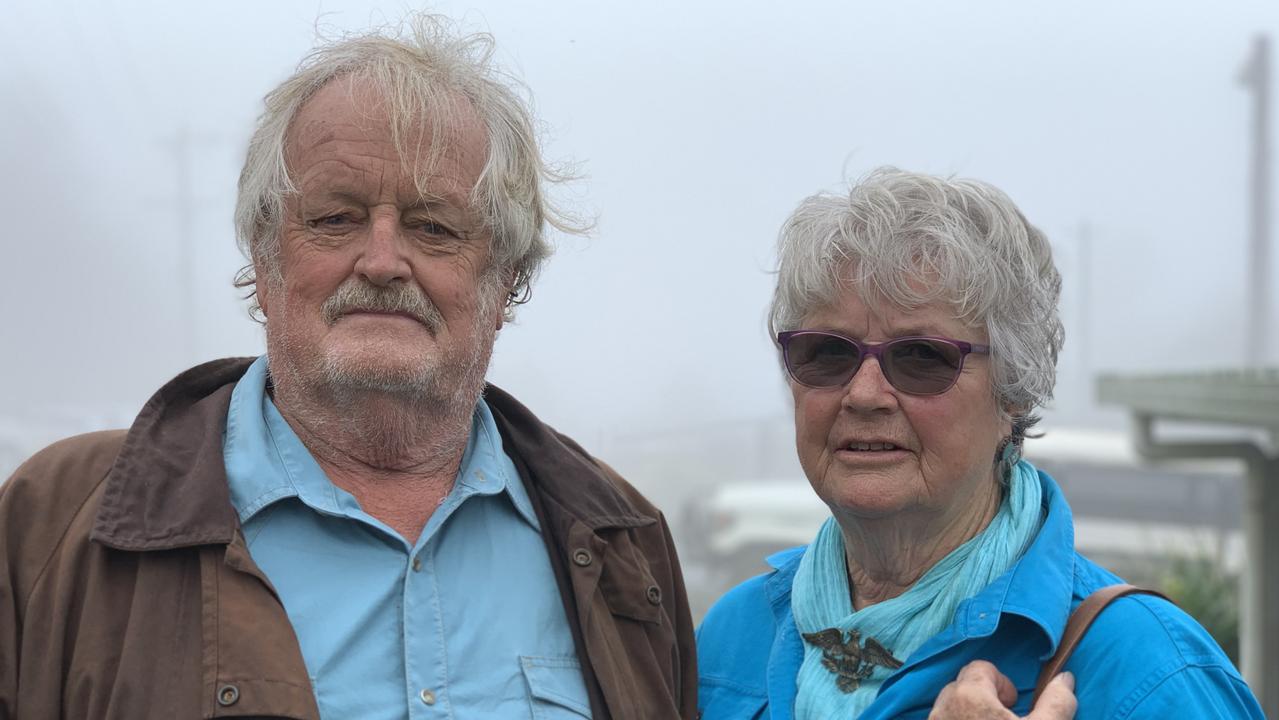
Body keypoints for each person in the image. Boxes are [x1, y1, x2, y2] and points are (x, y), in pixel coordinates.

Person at [0, 17, 696, 719]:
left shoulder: (622, 539)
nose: (383, 262)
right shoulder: (54, 526)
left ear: (505, 280)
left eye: (435, 227)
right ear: (263, 261)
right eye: (335, 218)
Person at [695, 168, 1264, 719]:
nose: (865, 394)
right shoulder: (731, 639)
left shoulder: (1149, 671)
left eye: (921, 357)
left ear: (1013, 392)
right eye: (828, 353)